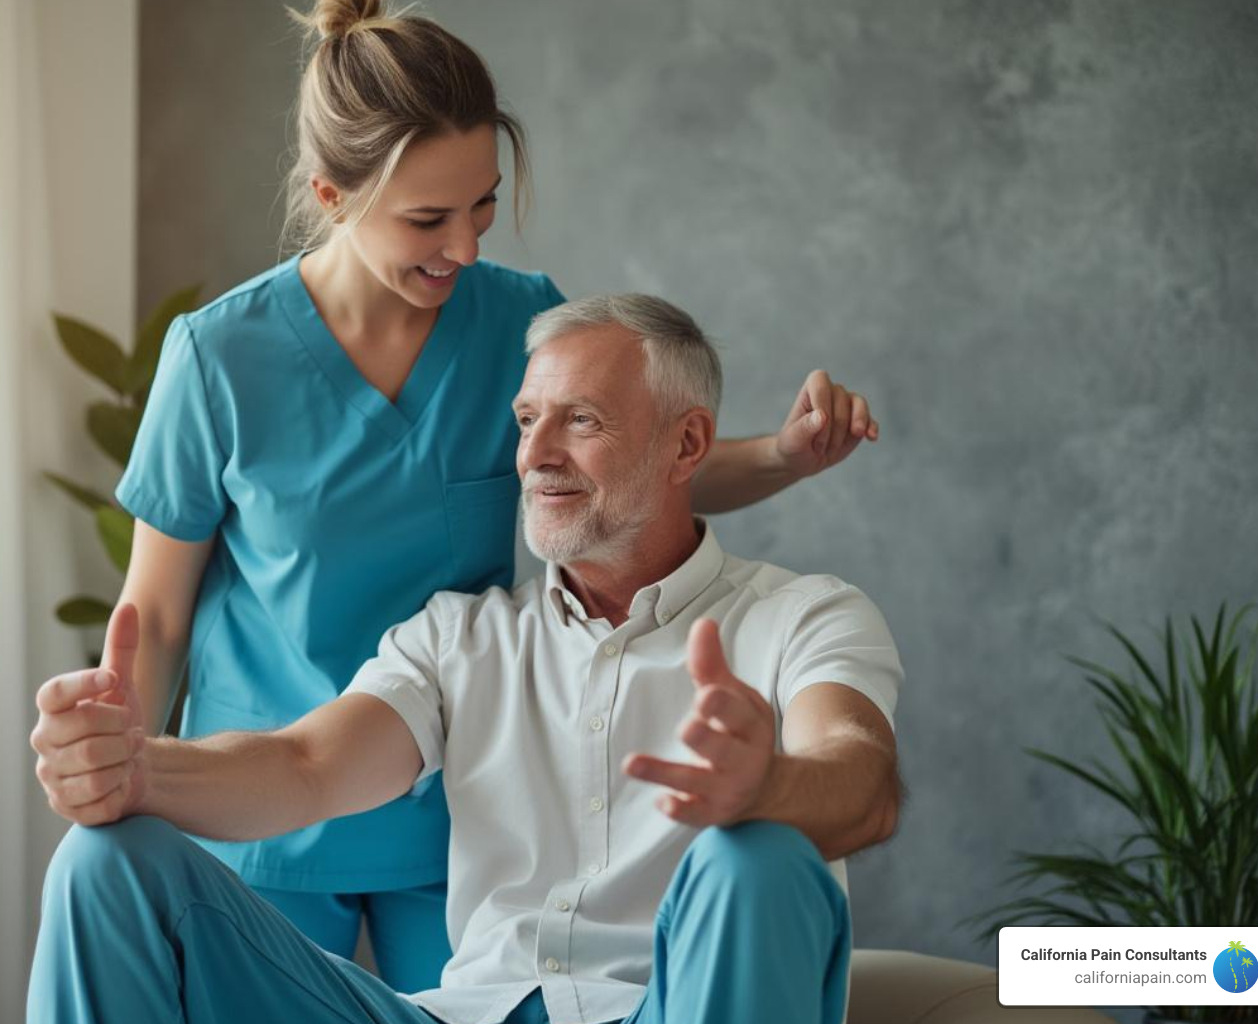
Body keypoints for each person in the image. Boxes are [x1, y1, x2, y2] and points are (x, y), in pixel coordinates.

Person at [86, 0, 880, 994]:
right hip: (271, 805)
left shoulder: (516, 316)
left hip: (441, 799)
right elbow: (154, 612)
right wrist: (129, 761)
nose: (463, 248)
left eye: (483, 206)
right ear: (333, 195)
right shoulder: (218, 357)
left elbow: (620, 470)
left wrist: (785, 456)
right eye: (427, 218)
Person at [29, 294, 903, 1024]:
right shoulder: (460, 637)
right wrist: (136, 772)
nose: (534, 453)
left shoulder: (803, 617)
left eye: (581, 421)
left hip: (665, 1006)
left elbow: (860, 780)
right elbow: (305, 765)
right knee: (105, 862)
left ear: (685, 444)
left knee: (756, 854)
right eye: (527, 420)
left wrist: (765, 793)